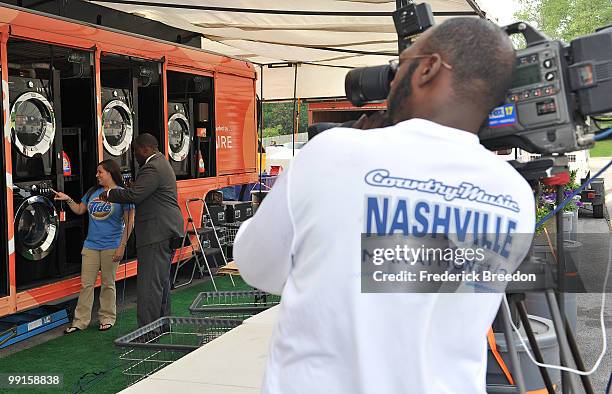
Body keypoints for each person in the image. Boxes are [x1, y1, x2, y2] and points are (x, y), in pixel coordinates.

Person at [233, 18, 536, 394]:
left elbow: (258, 268)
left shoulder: (333, 152)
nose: (392, 80)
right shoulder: (516, 194)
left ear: (428, 68)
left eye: (401, 63)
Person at [98, 133, 184, 327]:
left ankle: (148, 331)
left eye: (136, 151)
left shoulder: (152, 167)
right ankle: (162, 325)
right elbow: (145, 192)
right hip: (166, 230)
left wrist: (109, 194)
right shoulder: (162, 163)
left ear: (146, 149)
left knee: (148, 286)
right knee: (160, 283)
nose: (134, 155)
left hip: (156, 233)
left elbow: (135, 196)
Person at [54, 160, 134, 333]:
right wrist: (67, 199)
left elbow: (129, 222)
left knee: (108, 283)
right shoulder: (93, 192)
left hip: (111, 245)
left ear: (110, 173)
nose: (97, 175)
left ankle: (107, 318)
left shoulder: (122, 194)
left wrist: (122, 246)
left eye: (100, 172)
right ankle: (80, 322)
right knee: (86, 285)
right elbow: (79, 210)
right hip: (90, 245)